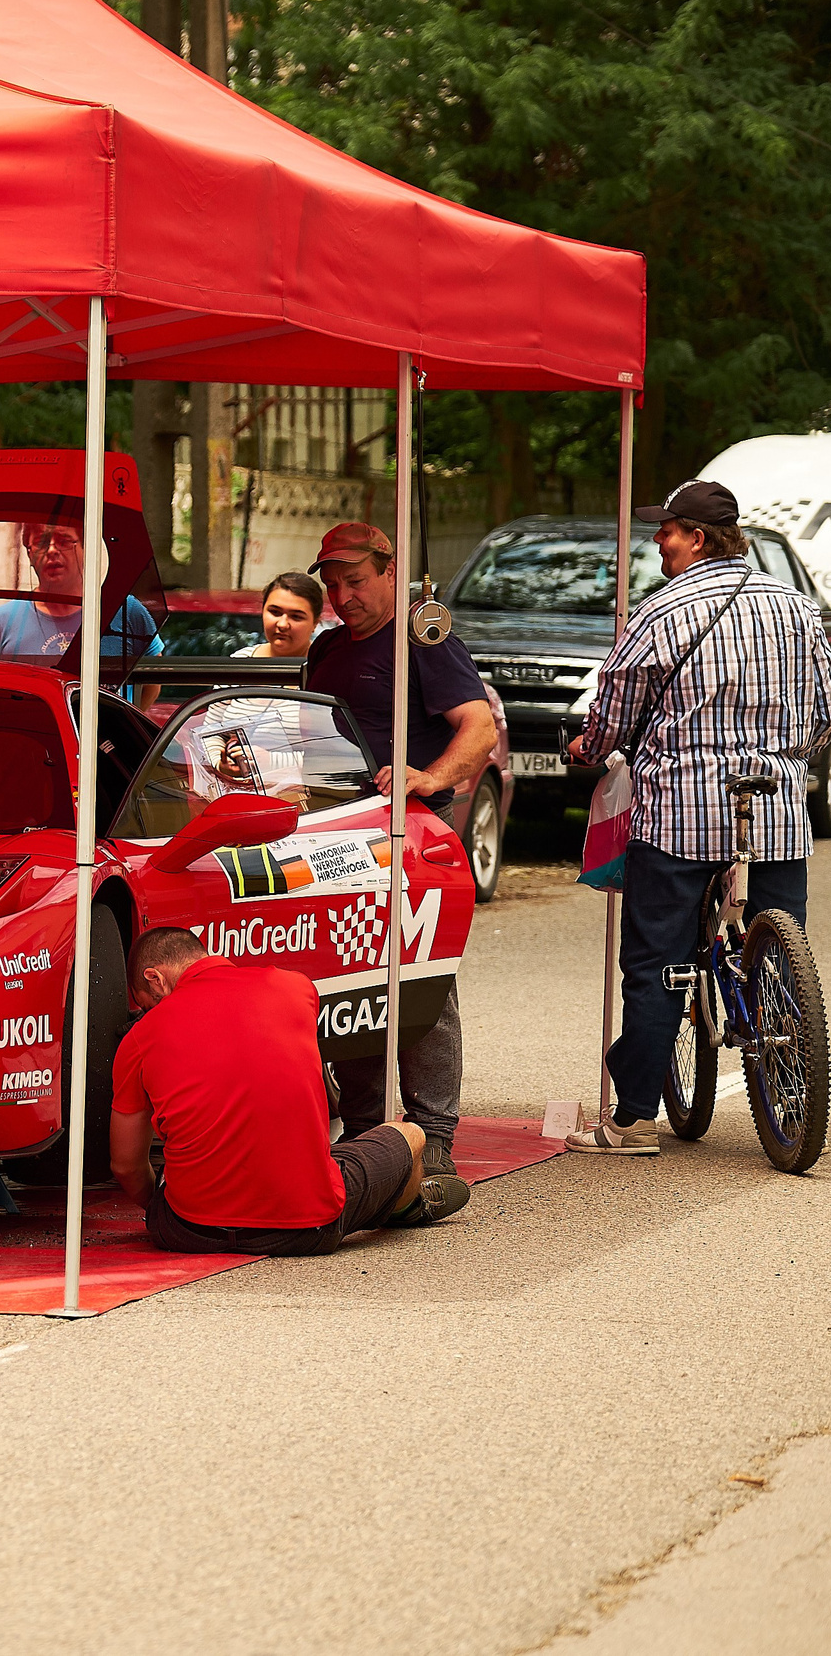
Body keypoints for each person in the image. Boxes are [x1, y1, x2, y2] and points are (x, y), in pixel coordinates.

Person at [565, 480, 831, 1154]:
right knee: (780, 955)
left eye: (668, 530)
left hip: (680, 811)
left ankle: (631, 1120)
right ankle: (794, 1089)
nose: (658, 539)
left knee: (655, 957)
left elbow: (615, 711)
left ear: (697, 537)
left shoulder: (660, 611)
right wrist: (782, 757)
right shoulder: (797, 607)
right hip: (774, 803)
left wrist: (587, 747)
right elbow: (829, 710)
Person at [306, 520, 495, 1177]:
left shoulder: (422, 639)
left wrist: (431, 776)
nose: (343, 595)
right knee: (350, 973)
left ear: (390, 570)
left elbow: (480, 727)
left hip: (416, 836)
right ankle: (361, 1129)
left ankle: (434, 1134)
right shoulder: (326, 647)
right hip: (339, 836)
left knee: (421, 980)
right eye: (332, 584)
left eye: (355, 581)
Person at [112, 926, 469, 1253]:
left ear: (154, 978)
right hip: (306, 1229)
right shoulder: (294, 987)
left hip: (189, 1232)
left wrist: (158, 1209)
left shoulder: (139, 1038)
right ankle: (406, 1207)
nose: (149, 1013)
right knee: (408, 1135)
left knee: (174, 1172)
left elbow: (127, 1167)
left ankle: (390, 1201)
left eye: (147, 1004)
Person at [0, 518, 163, 705]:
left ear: (85, 549)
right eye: (41, 542)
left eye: (64, 541)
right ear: (29, 554)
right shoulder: (0, 623)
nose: (52, 550)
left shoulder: (126, 612)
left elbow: (152, 685)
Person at [234, 572, 324, 658]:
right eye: (275, 612)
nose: (282, 625)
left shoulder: (330, 667)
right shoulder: (237, 663)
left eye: (296, 616)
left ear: (315, 623)